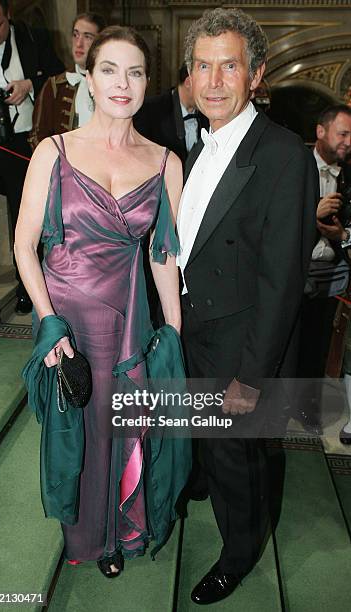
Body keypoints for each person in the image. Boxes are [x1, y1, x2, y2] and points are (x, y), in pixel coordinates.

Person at [15, 26, 185, 577]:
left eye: (135, 72)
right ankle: (86, 535)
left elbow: (163, 257)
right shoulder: (54, 151)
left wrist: (174, 337)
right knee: (78, 434)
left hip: (130, 319)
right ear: (89, 77)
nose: (123, 83)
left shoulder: (165, 164)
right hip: (68, 321)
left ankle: (118, 535)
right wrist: (47, 322)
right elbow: (23, 245)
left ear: (145, 84)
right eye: (110, 69)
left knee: (124, 430)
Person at [177, 8, 318, 605]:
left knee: (240, 457)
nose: (213, 81)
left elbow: (281, 281)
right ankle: (204, 478)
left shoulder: (285, 155)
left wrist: (251, 378)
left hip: (239, 341)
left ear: (255, 73)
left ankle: (238, 554)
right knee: (212, 448)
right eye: (202, 67)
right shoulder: (193, 144)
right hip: (191, 327)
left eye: (228, 67)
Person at [0, 0, 64, 313]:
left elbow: (59, 75)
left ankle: (26, 289)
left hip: (22, 143)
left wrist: (29, 84)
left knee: (24, 218)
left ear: (9, 17)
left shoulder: (34, 38)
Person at [297, 105, 351, 434]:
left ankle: (308, 410)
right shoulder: (296, 165)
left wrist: (342, 233)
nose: (348, 141)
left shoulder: (348, 173)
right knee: (292, 340)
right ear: (321, 132)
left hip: (334, 274)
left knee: (319, 345)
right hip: (297, 269)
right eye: (343, 133)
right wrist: (311, 212)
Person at [29, 12, 105, 150]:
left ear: (101, 43)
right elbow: (37, 136)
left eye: (87, 36)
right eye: (75, 34)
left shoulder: (111, 86)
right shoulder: (54, 86)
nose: (79, 43)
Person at [134, 62, 209, 167]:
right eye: (206, 84)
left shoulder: (211, 115)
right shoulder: (149, 111)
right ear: (189, 82)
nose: (211, 91)